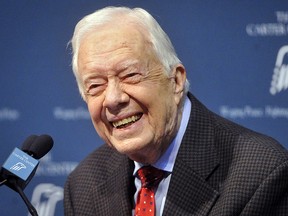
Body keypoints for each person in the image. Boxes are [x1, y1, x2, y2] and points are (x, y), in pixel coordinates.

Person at [64, 6, 288, 216]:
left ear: (176, 80)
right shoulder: (83, 185)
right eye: (95, 86)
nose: (113, 99)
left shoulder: (260, 173)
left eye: (130, 75)